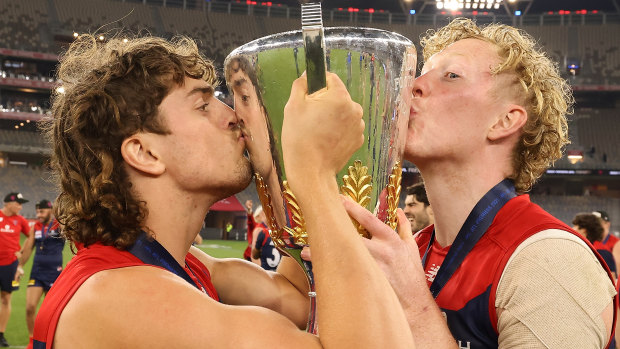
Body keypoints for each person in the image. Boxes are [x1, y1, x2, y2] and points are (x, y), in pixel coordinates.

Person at [31, 34, 414, 348]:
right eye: (202, 105)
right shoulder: (121, 299)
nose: (232, 116)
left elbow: (296, 298)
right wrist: (313, 175)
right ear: (145, 152)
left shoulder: (182, 264)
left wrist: (283, 160)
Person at [341, 18, 617, 348]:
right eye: (423, 72)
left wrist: (415, 308)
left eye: (451, 75)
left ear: (504, 121)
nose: (414, 85)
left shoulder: (549, 260)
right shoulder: (412, 250)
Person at [17, 200, 63, 343]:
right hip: (37, 271)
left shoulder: (58, 225)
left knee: (50, 312)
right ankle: (32, 340)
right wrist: (19, 266)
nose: (38, 215)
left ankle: (49, 339)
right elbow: (29, 247)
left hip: (54, 273)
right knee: (30, 307)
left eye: (41, 211)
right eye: (37, 212)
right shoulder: (36, 227)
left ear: (50, 211)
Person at [0, 192, 32, 347]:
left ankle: (1, 334)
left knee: (6, 299)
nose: (20, 206)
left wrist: (21, 257)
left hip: (10, 265)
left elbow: (31, 237)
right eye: (18, 203)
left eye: (21, 204)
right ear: (7, 203)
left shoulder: (21, 220)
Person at [572, 213, 617, 278]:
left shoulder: (601, 251)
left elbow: (611, 279)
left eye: (575, 226)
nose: (573, 228)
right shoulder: (580, 248)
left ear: (583, 231)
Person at [251, 206, 281, 271]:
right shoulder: (260, 230)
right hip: (271, 268)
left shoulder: (264, 231)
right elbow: (254, 253)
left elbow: (255, 254)